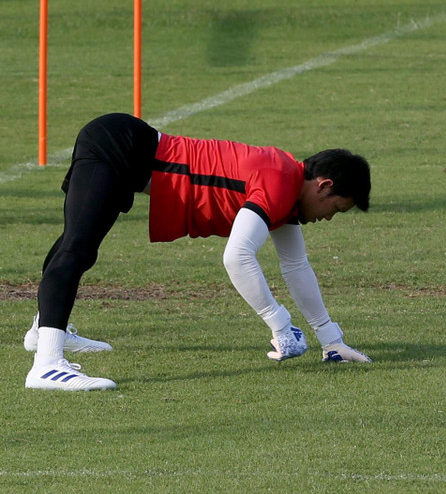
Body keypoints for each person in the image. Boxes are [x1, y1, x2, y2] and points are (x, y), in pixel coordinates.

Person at [22, 113, 373, 391]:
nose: (328, 217)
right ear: (324, 185)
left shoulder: (288, 190)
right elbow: (236, 257)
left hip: (125, 144)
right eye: (336, 208)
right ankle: (47, 365)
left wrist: (331, 340)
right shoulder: (280, 182)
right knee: (77, 249)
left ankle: (47, 331)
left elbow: (296, 266)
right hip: (116, 142)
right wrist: (280, 325)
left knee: (77, 246)